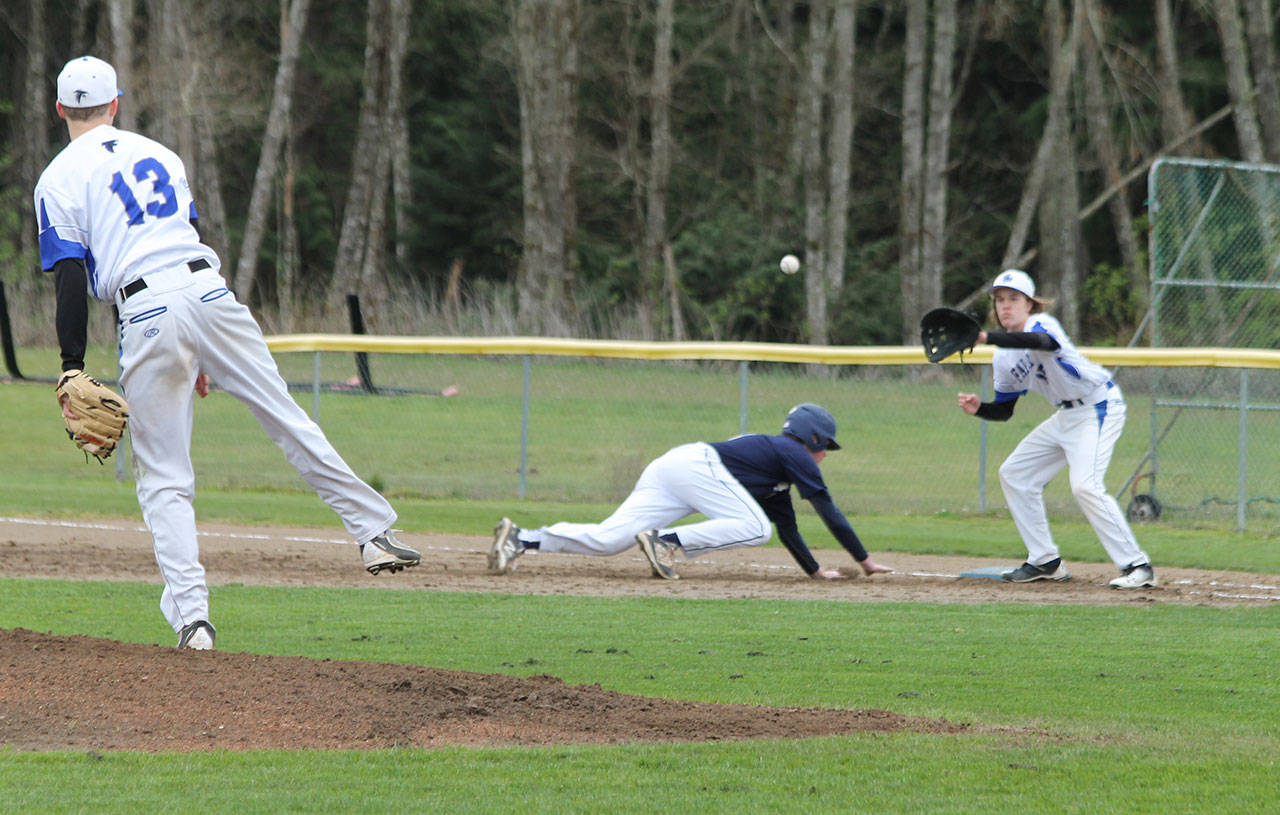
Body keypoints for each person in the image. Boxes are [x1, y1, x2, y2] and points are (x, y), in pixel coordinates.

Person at [36, 56, 421, 651]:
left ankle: (194, 622)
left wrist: (71, 365)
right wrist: (201, 356)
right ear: (116, 104)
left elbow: (69, 277)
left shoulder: (57, 178)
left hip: (146, 310)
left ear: (60, 109)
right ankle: (374, 530)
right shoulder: (163, 155)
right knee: (284, 413)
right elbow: (174, 239)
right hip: (210, 293)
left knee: (164, 479)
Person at [487, 403, 894, 580]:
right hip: (697, 467)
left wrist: (815, 570)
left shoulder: (779, 466)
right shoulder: (794, 452)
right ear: (814, 438)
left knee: (611, 540)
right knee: (756, 529)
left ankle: (520, 539)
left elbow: (789, 526)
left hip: (674, 468)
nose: (826, 456)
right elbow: (828, 509)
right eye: (827, 447)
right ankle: (666, 544)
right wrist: (865, 560)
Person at [956, 269, 1156, 589]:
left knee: (1085, 486)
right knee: (1015, 473)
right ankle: (1045, 561)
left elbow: (1040, 342)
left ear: (1030, 304)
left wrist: (984, 337)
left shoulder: (1043, 324)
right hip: (1067, 417)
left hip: (1098, 406)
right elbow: (1005, 410)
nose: (1005, 306)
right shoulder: (1003, 357)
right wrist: (980, 408)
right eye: (999, 300)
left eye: (1013, 299)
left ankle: (1137, 565)